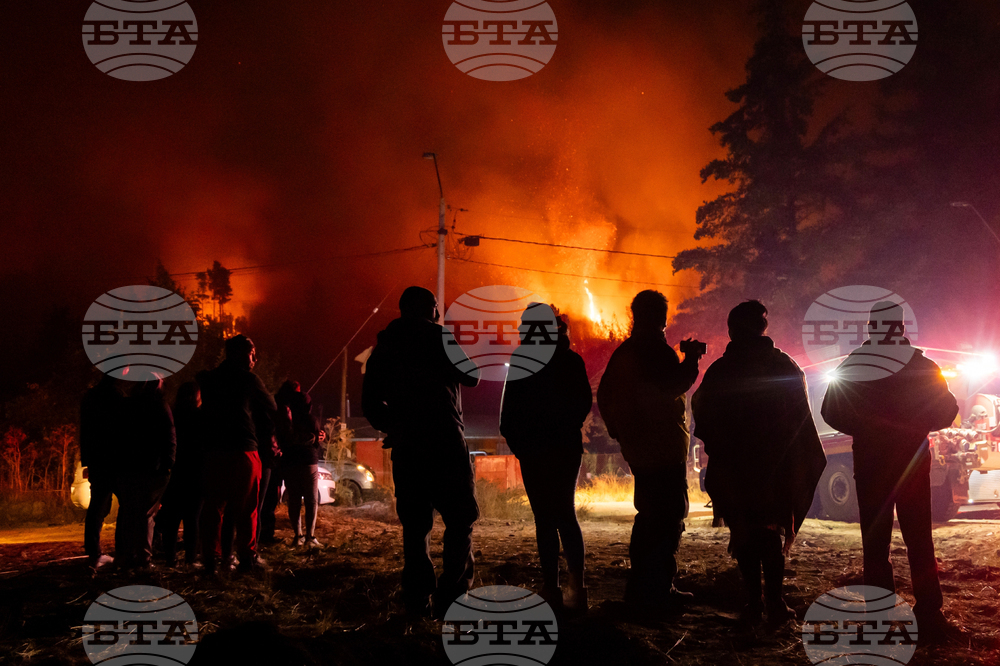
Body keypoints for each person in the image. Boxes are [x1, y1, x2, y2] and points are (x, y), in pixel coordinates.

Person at [822, 302, 960, 641]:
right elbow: (946, 412)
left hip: (871, 464)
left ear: (871, 328)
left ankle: (880, 617)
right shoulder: (923, 366)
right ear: (900, 328)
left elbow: (830, 410)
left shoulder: (854, 365)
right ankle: (928, 612)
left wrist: (864, 429)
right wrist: (914, 425)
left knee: (875, 544)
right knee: (919, 540)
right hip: (912, 464)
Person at [692, 300, 826, 625]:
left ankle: (756, 603)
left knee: (745, 532)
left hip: (736, 470)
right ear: (763, 329)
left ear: (733, 330)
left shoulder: (722, 370)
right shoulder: (785, 366)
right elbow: (801, 421)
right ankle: (775, 603)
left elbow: (702, 409)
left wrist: (724, 445)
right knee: (772, 531)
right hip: (777, 470)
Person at [362, 286, 481, 618]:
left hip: (409, 449)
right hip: (445, 445)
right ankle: (453, 595)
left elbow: (370, 402)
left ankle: (417, 598)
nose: (438, 314)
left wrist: (395, 427)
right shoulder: (440, 339)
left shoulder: (385, 348)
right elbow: (472, 377)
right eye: (435, 308)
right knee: (461, 518)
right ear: (428, 310)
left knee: (415, 527)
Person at [597, 290, 705, 610]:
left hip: (642, 453)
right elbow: (674, 385)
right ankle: (659, 591)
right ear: (660, 317)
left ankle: (640, 590)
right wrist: (692, 361)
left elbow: (604, 397)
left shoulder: (624, 352)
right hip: (664, 451)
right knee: (668, 518)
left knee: (647, 518)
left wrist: (622, 434)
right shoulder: (656, 351)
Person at [500, 310, 592, 613]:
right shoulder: (571, 361)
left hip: (535, 450)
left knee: (544, 519)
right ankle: (577, 588)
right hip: (564, 448)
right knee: (565, 514)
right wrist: (563, 430)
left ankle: (551, 588)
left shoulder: (521, 362)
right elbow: (582, 404)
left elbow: (508, 416)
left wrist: (522, 447)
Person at [198, 334, 277, 575]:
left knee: (213, 506)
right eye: (252, 355)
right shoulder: (248, 379)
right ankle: (246, 558)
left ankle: (211, 559)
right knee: (247, 507)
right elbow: (271, 406)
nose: (254, 360)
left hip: (213, 450)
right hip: (243, 449)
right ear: (243, 354)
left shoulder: (207, 379)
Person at [114, 378, 176, 570]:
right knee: (146, 513)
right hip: (152, 467)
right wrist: (169, 463)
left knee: (129, 511)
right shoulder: (159, 405)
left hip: (128, 466)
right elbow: (169, 435)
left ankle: (126, 555)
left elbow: (117, 434)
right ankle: (143, 557)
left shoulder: (127, 404)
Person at [79, 374, 127, 570]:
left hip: (98, 459)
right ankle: (123, 551)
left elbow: (85, 429)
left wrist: (87, 459)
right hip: (115, 458)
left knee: (98, 505)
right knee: (125, 505)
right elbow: (123, 429)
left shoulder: (91, 396)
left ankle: (94, 552)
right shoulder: (117, 396)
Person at [157, 382, 205, 567]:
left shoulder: (172, 414)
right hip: (195, 471)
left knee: (171, 517)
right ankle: (191, 559)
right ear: (195, 397)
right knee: (192, 519)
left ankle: (171, 558)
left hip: (174, 472)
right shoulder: (200, 417)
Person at [283, 389, 324, 547]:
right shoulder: (311, 419)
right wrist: (317, 437)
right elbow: (315, 443)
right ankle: (310, 537)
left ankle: (297, 535)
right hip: (308, 461)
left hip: (290, 462)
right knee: (311, 500)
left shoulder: (287, 420)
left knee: (294, 499)